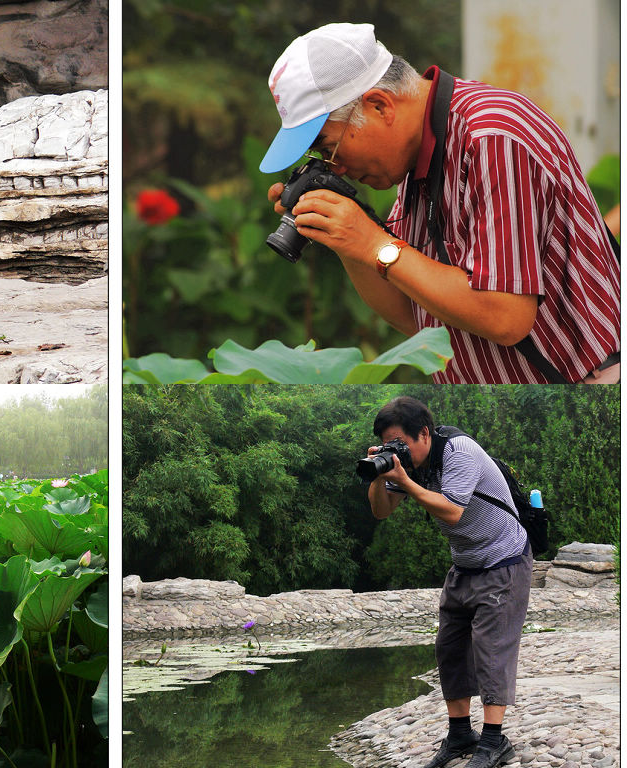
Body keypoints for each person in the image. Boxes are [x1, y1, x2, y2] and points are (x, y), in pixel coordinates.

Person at [262, 23, 619, 384]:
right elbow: (414, 315)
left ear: (379, 106)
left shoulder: (491, 137)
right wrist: (342, 239)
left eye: (329, 148)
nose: (334, 166)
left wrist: (373, 243)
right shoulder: (416, 162)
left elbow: (505, 316)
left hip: (590, 397)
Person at [366, 396, 530, 768]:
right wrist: (379, 477)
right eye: (391, 445)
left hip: (503, 558)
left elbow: (453, 512)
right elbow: (380, 511)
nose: (398, 451)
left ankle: (494, 742)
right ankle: (459, 735)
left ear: (424, 433)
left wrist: (404, 480)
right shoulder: (413, 463)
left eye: (401, 444)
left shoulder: (458, 451)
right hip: (465, 565)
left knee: (492, 649)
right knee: (450, 647)